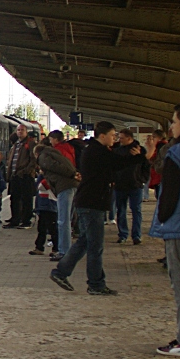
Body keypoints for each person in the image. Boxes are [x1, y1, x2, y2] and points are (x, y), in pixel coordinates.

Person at [50, 120, 144, 296]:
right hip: (92, 203)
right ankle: (95, 284)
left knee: (85, 241)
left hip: (90, 202)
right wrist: (139, 157)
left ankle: (61, 272)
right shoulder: (97, 152)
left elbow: (116, 163)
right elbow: (118, 163)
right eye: (112, 135)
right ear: (102, 136)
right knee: (95, 245)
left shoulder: (96, 150)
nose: (114, 138)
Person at [150, 102, 180, 357]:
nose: (171, 127)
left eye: (174, 122)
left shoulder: (176, 154)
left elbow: (169, 194)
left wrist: (163, 219)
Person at [43, 130, 79, 261]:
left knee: (63, 220)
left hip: (64, 185)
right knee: (67, 219)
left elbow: (60, 169)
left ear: (55, 139)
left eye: (51, 139)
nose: (50, 142)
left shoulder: (57, 151)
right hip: (73, 184)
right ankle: (65, 248)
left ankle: (64, 251)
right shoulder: (70, 148)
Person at [111, 128, 151, 245]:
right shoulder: (117, 151)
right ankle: (123, 234)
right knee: (121, 210)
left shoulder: (140, 150)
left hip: (135, 185)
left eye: (122, 138)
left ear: (129, 138)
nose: (119, 140)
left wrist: (142, 180)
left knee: (136, 210)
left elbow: (146, 166)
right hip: (120, 185)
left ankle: (136, 235)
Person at [4, 123, 36, 229]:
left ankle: (26, 220)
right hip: (14, 176)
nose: (20, 132)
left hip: (25, 176)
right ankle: (15, 219)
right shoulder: (16, 144)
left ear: (26, 132)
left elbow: (33, 159)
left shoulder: (30, 143)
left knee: (26, 199)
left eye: (22, 130)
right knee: (14, 198)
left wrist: (26, 171)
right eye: (18, 130)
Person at [30, 148, 59, 255]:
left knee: (52, 228)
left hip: (49, 205)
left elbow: (40, 186)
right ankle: (39, 247)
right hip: (43, 205)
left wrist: (42, 175)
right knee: (42, 227)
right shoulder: (45, 176)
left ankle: (56, 248)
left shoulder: (49, 178)